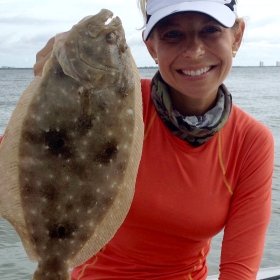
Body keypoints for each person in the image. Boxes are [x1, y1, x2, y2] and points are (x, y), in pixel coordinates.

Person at [31, 0, 274, 279]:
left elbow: (238, 270)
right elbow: (29, 161)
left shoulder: (251, 141)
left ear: (237, 36)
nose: (194, 51)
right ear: (151, 47)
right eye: (172, 34)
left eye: (210, 30)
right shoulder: (115, 104)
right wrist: (47, 90)